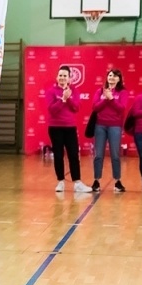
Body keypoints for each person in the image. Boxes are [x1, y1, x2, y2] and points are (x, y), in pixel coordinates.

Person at [45, 65, 88, 193]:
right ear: (57, 77)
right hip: (55, 127)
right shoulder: (51, 91)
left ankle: (77, 182)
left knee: (73, 154)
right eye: (60, 75)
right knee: (58, 155)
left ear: (70, 78)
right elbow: (52, 110)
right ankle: (60, 182)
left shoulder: (74, 91)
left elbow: (76, 108)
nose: (62, 78)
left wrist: (68, 98)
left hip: (70, 127)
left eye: (65, 76)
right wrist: (62, 99)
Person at [88, 68, 129, 193]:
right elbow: (95, 107)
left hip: (115, 126)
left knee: (115, 154)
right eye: (110, 75)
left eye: (115, 76)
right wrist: (105, 99)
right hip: (100, 126)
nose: (112, 78)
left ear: (119, 79)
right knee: (98, 154)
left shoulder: (122, 92)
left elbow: (121, 108)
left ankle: (117, 181)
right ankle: (96, 180)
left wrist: (111, 98)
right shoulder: (100, 91)